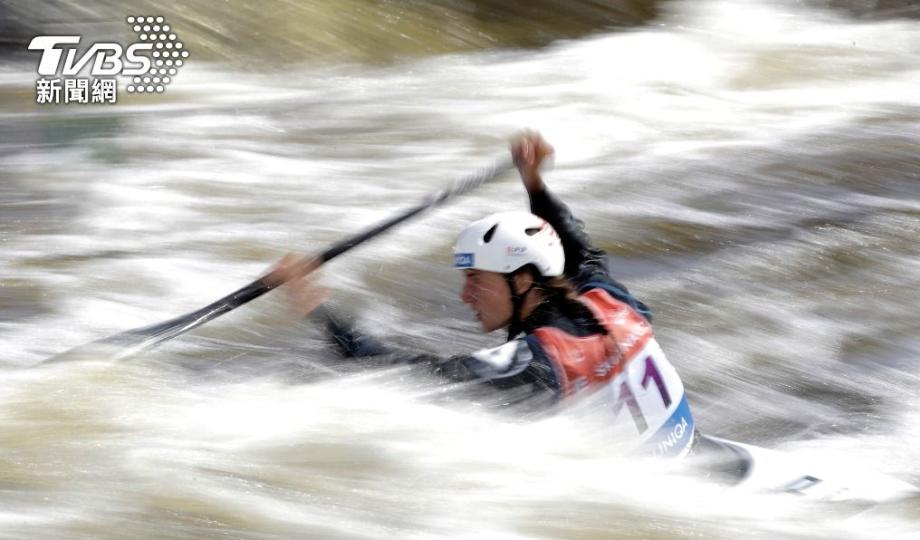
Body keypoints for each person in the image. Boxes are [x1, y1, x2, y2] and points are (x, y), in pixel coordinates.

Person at [277, 132, 697, 459]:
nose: (464, 295)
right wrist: (535, 184)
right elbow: (577, 248)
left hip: (636, 489)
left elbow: (404, 373)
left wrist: (316, 306)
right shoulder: (606, 299)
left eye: (477, 279)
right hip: (685, 447)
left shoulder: (537, 362)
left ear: (522, 281)